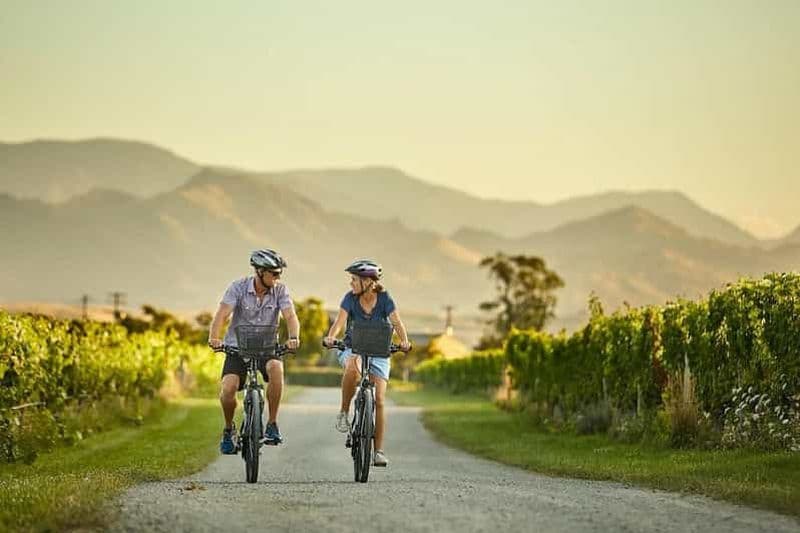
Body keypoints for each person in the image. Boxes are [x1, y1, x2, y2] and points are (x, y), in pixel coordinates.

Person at [208, 249, 300, 454]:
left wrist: (293, 337)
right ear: (260, 272)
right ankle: (228, 429)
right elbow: (222, 314)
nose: (278, 278)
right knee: (228, 390)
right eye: (274, 274)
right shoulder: (238, 288)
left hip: (267, 347)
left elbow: (290, 316)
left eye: (279, 274)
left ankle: (272, 424)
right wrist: (214, 337)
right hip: (237, 347)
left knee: (276, 368)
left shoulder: (280, 291)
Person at [324, 259, 411, 467]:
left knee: (379, 399)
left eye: (354, 280)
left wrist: (404, 341)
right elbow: (339, 322)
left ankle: (378, 451)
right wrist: (330, 337)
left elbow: (397, 322)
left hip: (379, 352)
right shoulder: (349, 299)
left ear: (368, 282)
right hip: (353, 349)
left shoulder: (385, 299)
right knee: (353, 369)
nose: (351, 283)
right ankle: (344, 413)